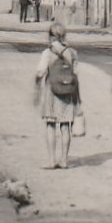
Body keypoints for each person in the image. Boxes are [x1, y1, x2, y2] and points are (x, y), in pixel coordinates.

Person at [33, 22, 81, 169]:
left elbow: (40, 72)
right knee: (66, 126)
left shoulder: (47, 53)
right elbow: (76, 72)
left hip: (52, 92)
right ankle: (64, 160)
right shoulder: (72, 52)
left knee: (50, 125)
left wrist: (37, 83)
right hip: (68, 93)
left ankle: (52, 160)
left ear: (50, 35)